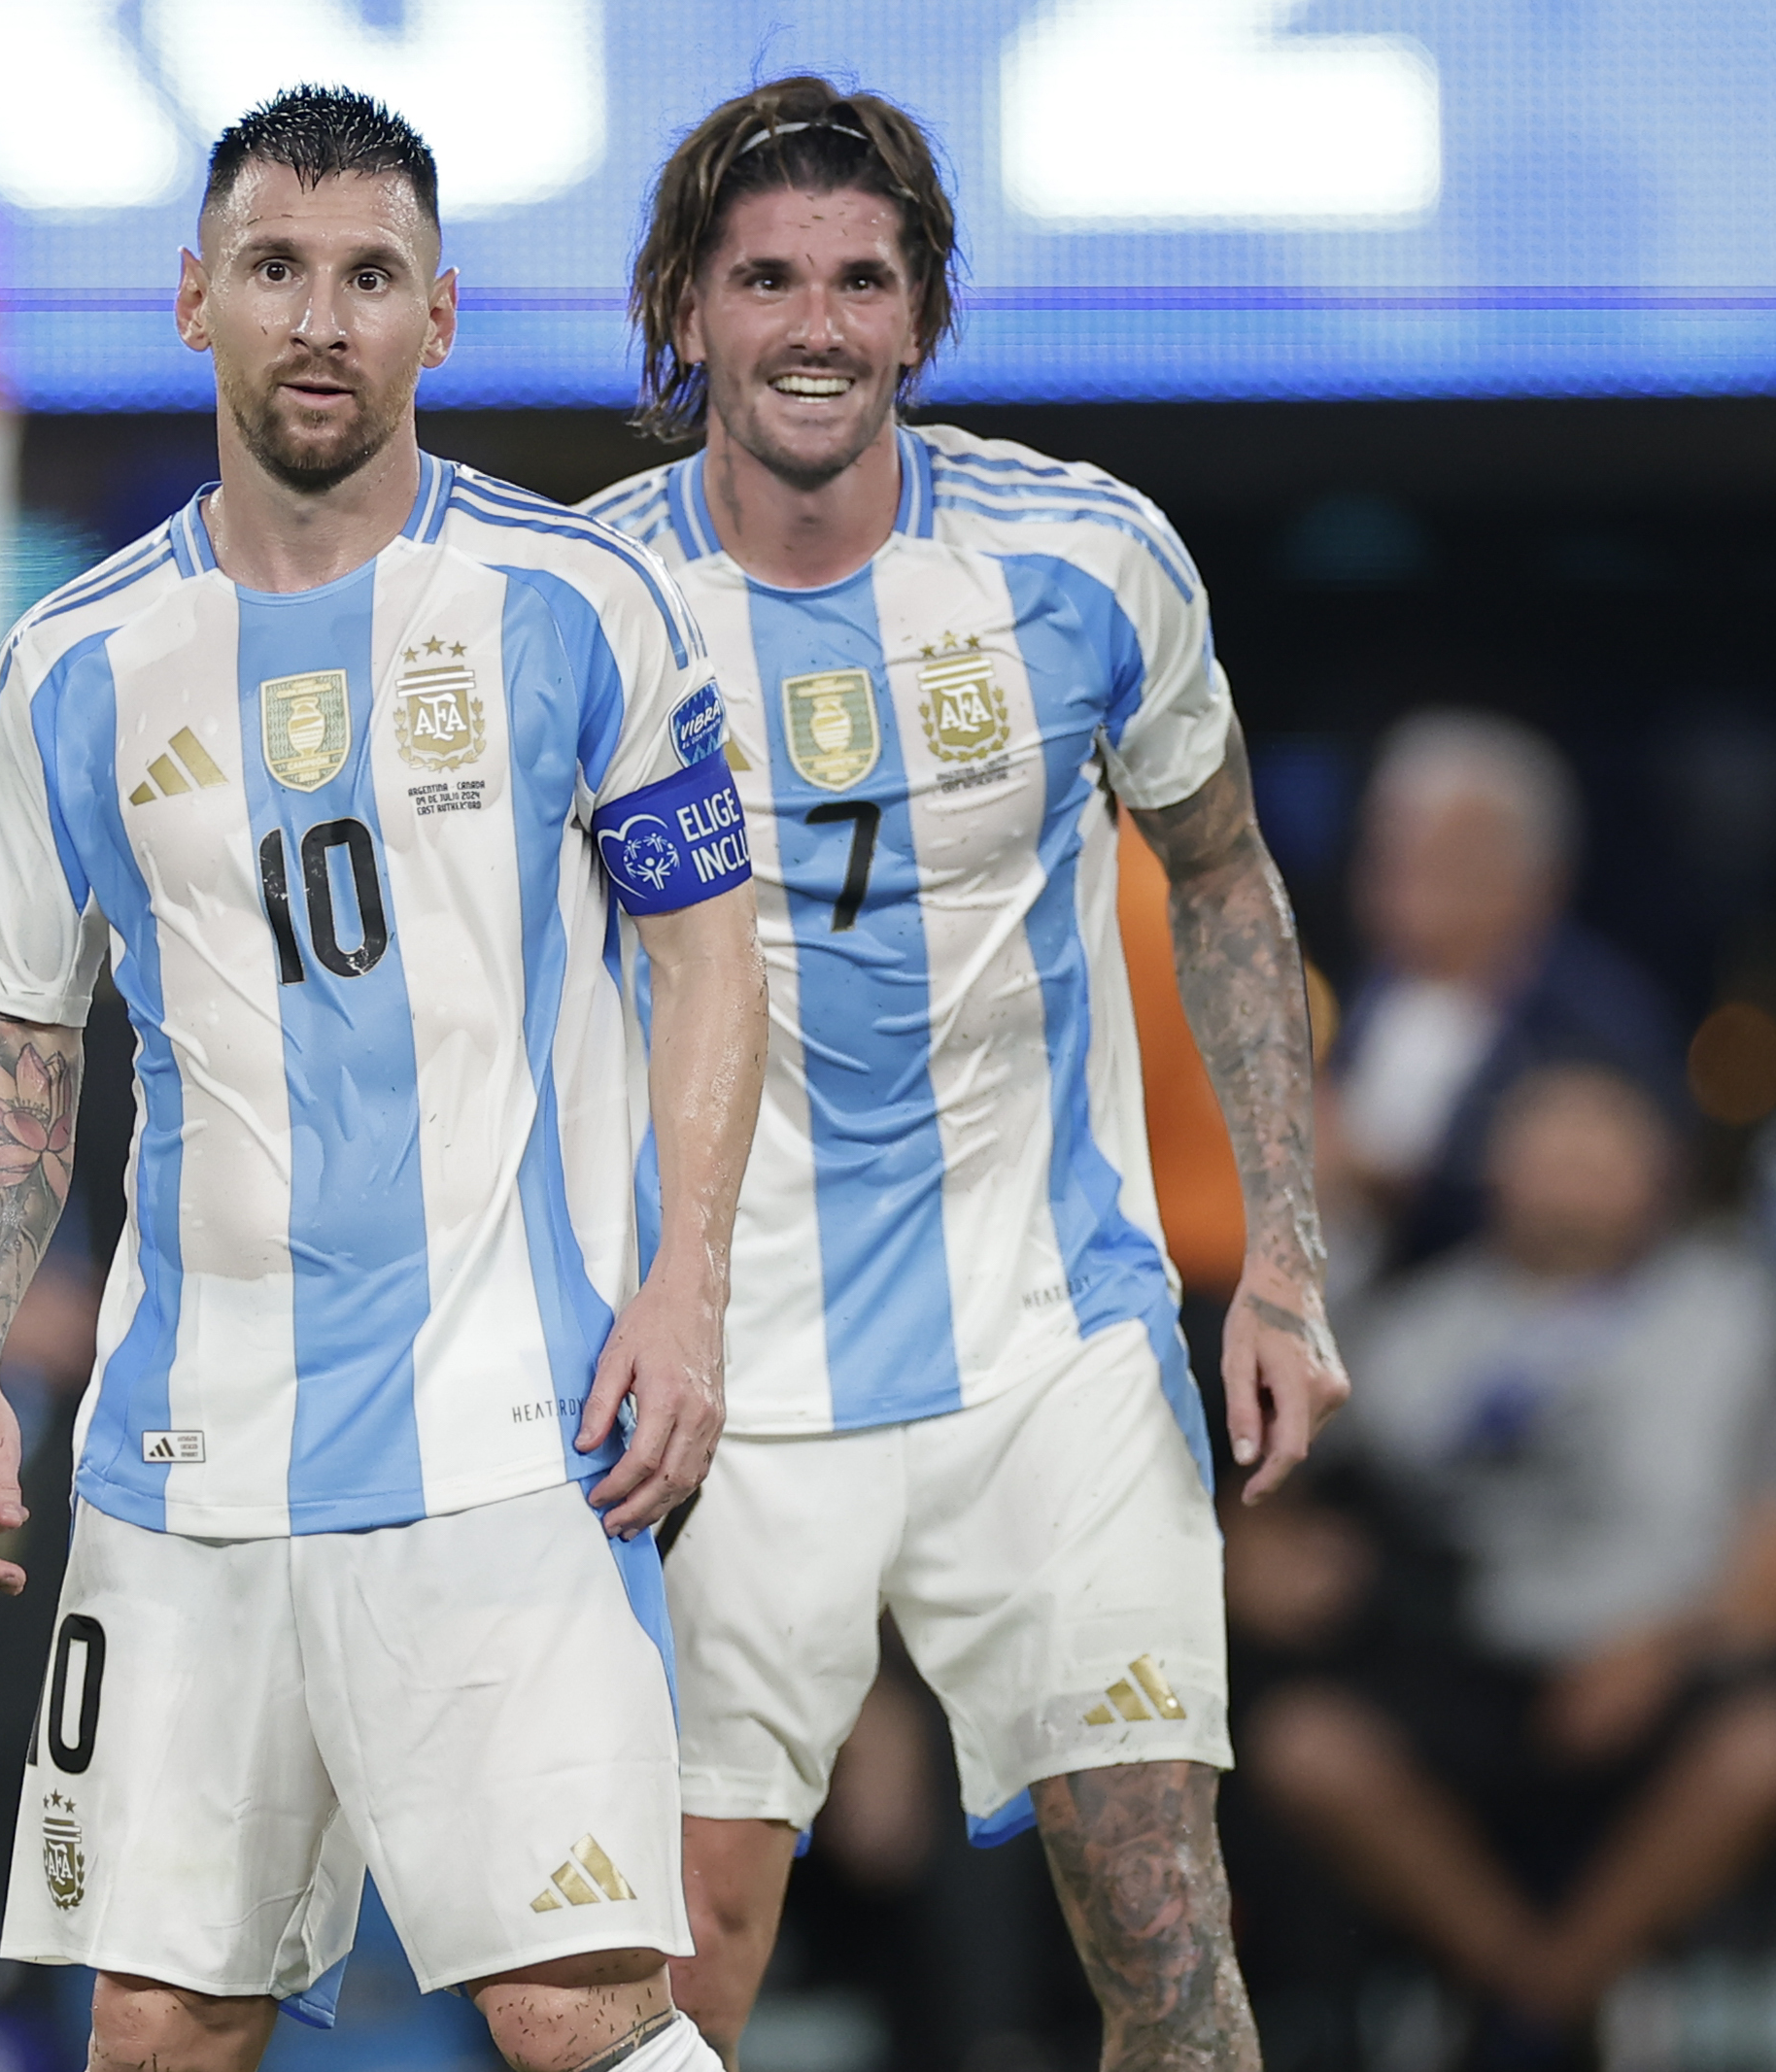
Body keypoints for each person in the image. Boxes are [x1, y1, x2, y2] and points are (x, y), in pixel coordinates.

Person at [0, 87, 767, 2072]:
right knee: (159, 2026)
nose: (319, 317)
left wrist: (686, 1282)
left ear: (437, 319)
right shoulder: (74, 660)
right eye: (276, 269)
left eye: (369, 276)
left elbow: (710, 951)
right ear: (193, 294)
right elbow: (15, 1029)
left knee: (573, 2008)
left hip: (509, 1433)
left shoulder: (575, 603)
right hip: (186, 1460)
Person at [581, 79, 1346, 2072]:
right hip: (720, 1369)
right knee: (675, 1958)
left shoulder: (1086, 560)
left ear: (921, 314)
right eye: (764, 279)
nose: (813, 322)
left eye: (858, 277)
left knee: (1162, 1903)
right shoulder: (575, 608)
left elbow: (1227, 877)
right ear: (684, 308)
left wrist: (1280, 1255)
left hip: (1048, 1339)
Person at [1235, 1065, 1776, 2035]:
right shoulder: (1404, 1329)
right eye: (1547, 1151)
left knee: (1768, 1747)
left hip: (1658, 1670)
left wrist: (1657, 1650)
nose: (1572, 1174)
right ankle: (1539, 1992)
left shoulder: (1731, 1323)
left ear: (1659, 1173)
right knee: (1302, 1747)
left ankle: (1536, 2002)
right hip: (1454, 1670)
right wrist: (1274, 1564)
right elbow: (1265, 1523)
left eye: (1600, 1152)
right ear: (1492, 1174)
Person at [1324, 710, 1678, 1279]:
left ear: (1537, 871)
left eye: (1446, 860)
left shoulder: (1598, 1023)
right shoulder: (1350, 995)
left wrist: (1400, 1184)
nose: (1404, 885)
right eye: (1390, 854)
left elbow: (1597, 1208)